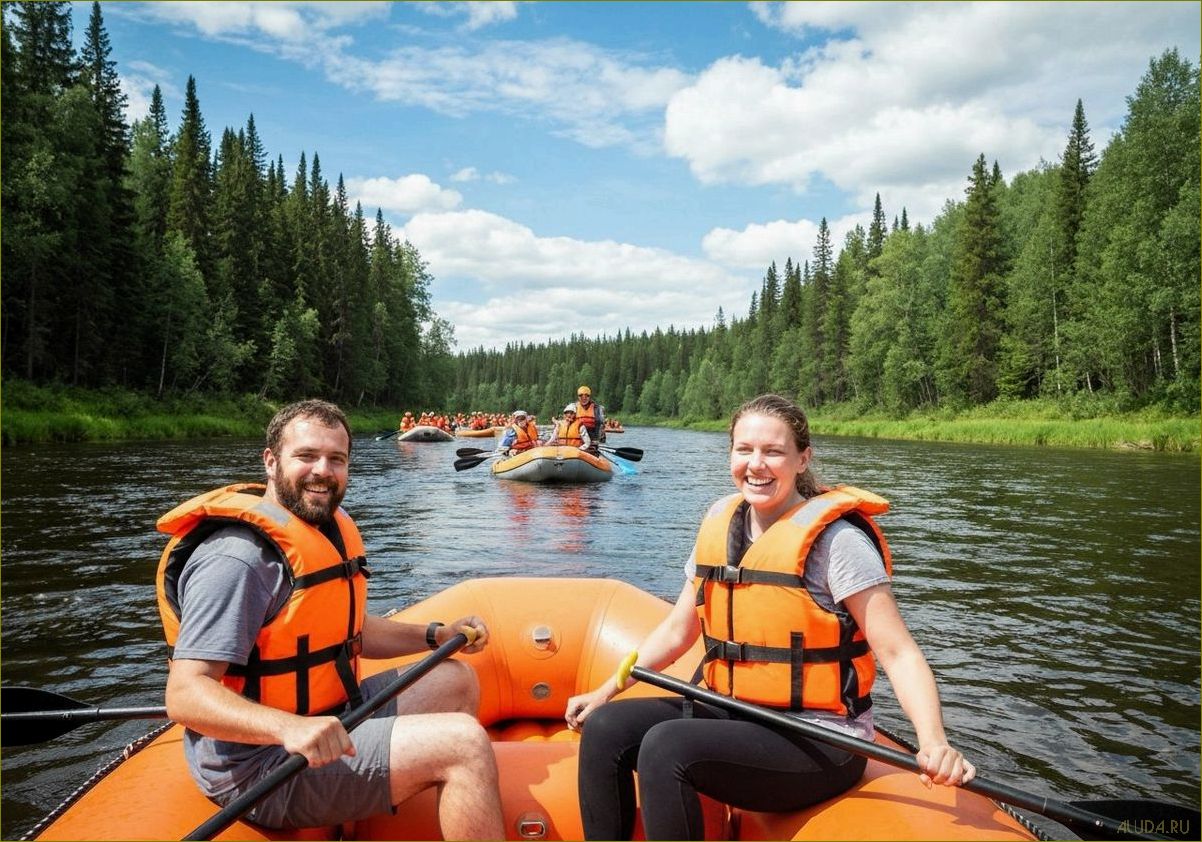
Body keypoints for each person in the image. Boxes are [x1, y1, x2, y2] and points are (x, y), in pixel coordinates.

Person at [564, 394, 975, 840]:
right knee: (606, 727)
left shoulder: (837, 544)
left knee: (666, 747)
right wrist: (606, 690)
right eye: (744, 450)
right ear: (731, 455)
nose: (756, 465)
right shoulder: (721, 524)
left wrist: (934, 740)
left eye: (773, 452)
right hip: (736, 712)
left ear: (803, 459)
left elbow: (898, 653)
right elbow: (678, 628)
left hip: (822, 739)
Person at [156, 399, 504, 837]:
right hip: (261, 766)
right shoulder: (237, 560)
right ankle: (439, 775)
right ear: (271, 461)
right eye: (307, 456)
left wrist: (436, 634)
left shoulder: (324, 529)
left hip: (335, 714)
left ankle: (405, 799)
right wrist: (289, 727)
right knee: (465, 744)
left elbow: (347, 629)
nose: (323, 470)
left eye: (336, 459)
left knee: (457, 679)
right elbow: (185, 694)